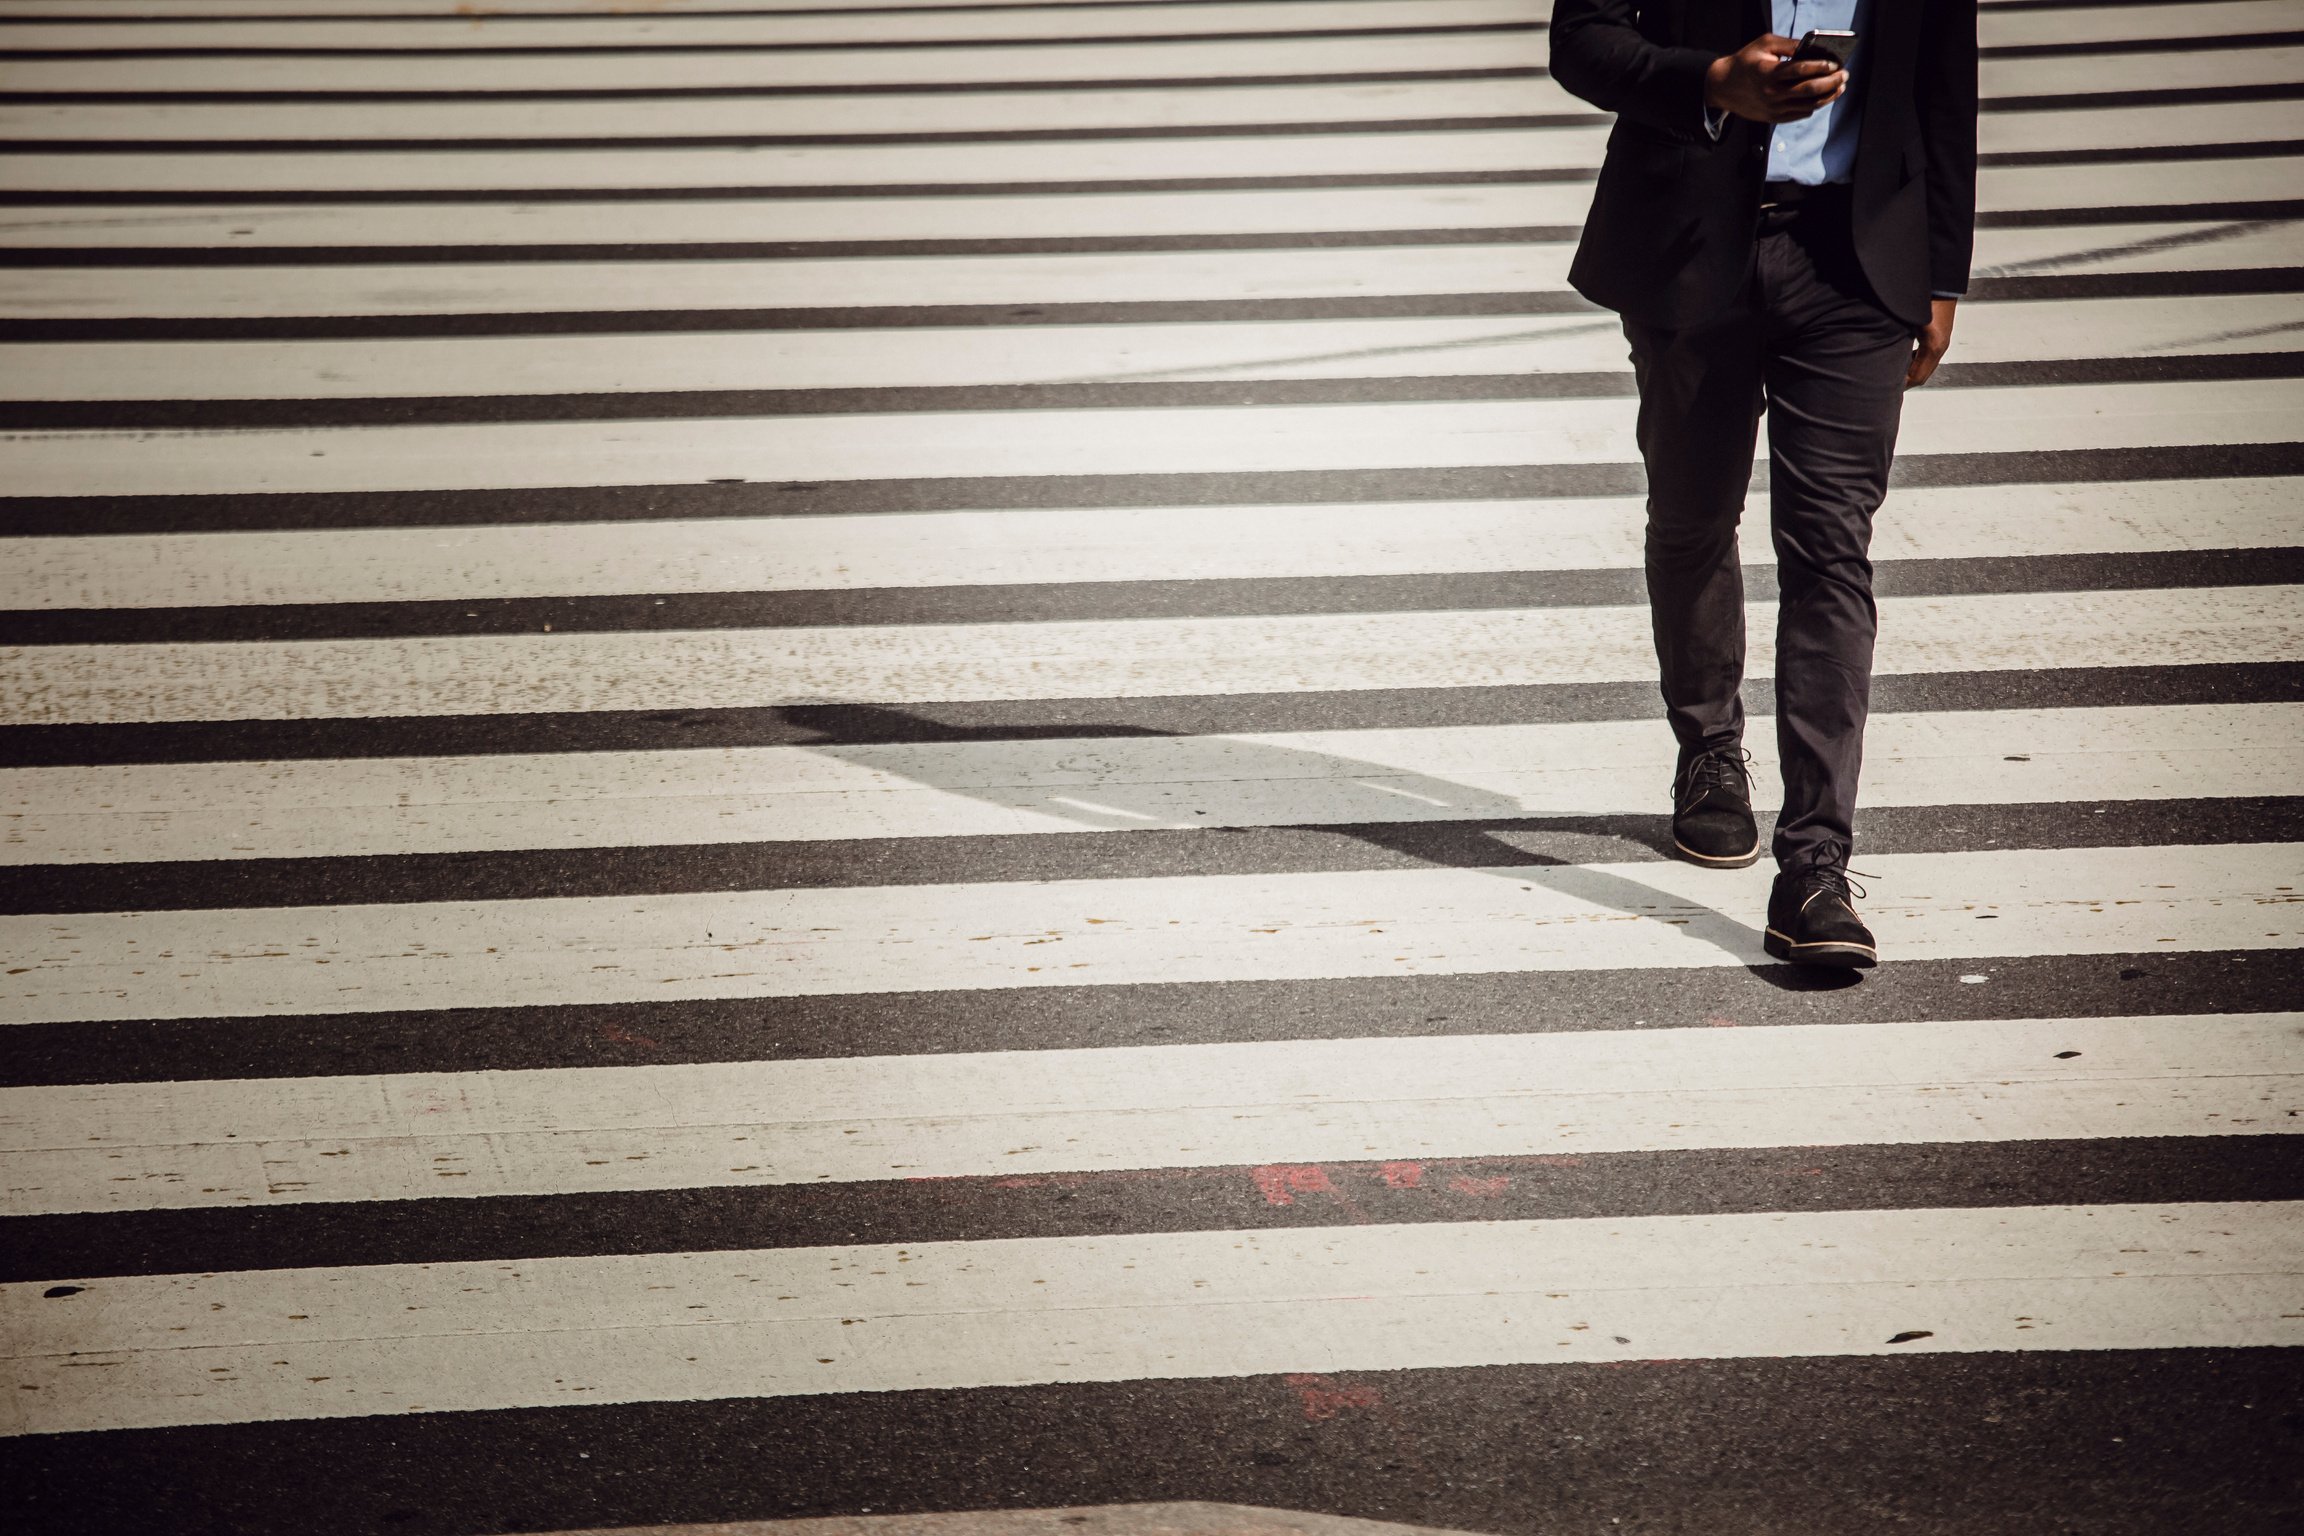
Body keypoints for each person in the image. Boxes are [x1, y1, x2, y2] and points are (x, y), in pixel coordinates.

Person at [1549, 0, 1979, 969]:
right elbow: (1579, 38)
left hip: (1857, 257)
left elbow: (1946, 68)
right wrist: (1711, 84)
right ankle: (1707, 743)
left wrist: (1943, 266)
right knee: (1695, 512)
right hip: (1688, 239)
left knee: (1830, 549)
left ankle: (1816, 865)